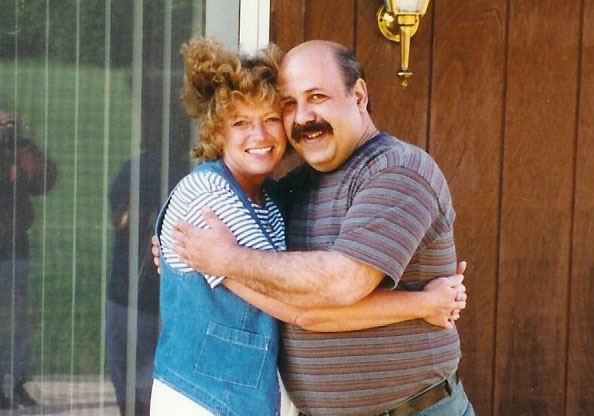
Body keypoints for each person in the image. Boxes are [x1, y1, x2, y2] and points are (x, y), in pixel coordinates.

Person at [151, 37, 467, 416]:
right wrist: (422, 303)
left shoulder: (397, 171)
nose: (301, 117)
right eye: (289, 104)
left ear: (359, 95)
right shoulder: (292, 189)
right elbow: (292, 303)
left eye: (316, 97)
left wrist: (223, 260)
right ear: (218, 132)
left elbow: (335, 286)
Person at [0, 109, 57, 409]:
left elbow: (45, 181)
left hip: (15, 250)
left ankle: (18, 381)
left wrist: (22, 144)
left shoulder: (17, 152)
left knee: (17, 319)